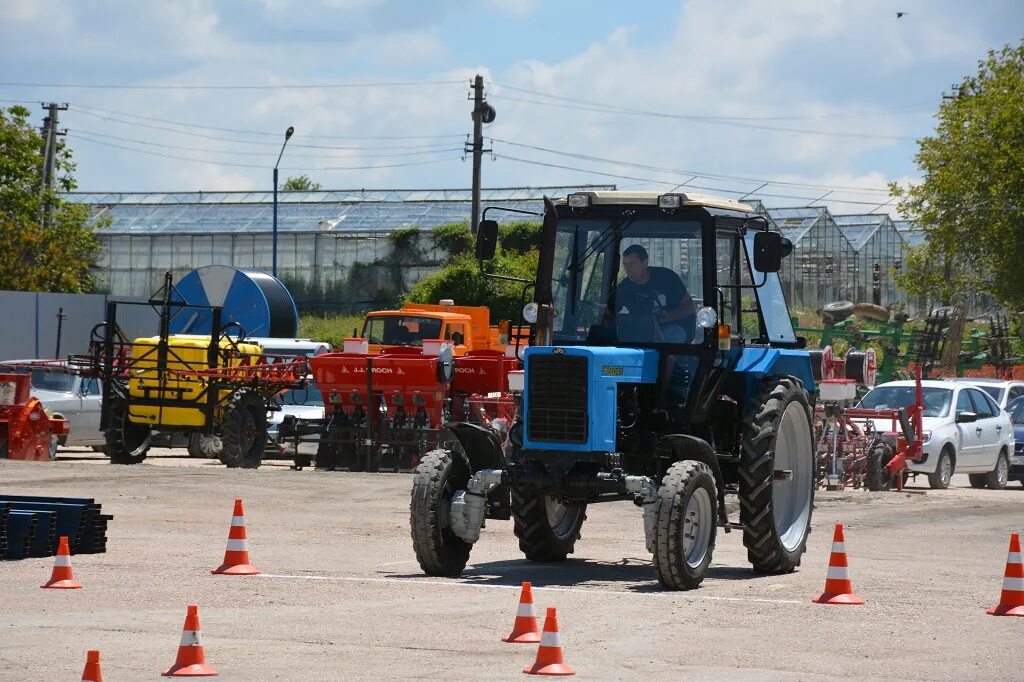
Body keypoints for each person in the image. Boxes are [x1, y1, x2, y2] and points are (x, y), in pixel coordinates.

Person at [614, 244, 696, 343]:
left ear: (645, 262)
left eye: (632, 263)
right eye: (625, 264)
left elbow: (689, 306)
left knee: (673, 335)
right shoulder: (624, 288)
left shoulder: (667, 278)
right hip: (641, 332)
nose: (628, 269)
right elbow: (610, 312)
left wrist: (669, 316)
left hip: (673, 327)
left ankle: (669, 358)